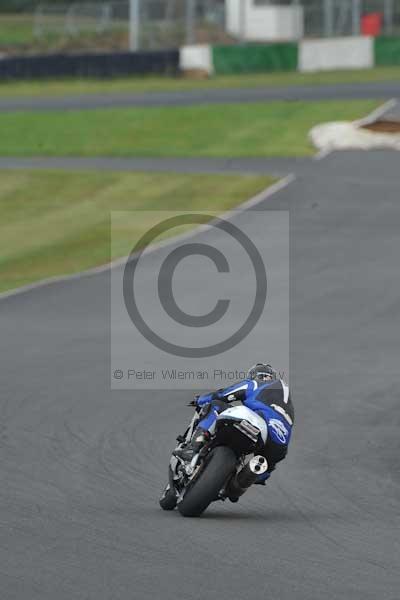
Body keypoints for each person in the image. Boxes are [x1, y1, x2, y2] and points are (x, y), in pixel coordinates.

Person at [175, 363, 294, 485]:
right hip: (280, 443)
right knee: (263, 470)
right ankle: (238, 484)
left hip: (259, 423)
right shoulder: (287, 403)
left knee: (215, 405)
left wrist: (200, 400)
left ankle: (193, 448)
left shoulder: (255, 384)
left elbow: (224, 395)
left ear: (255, 375)